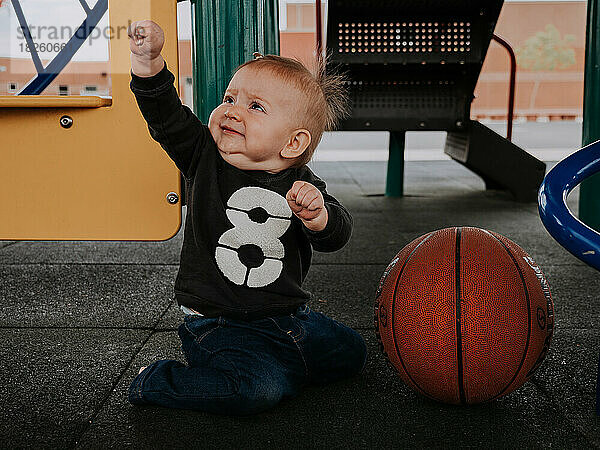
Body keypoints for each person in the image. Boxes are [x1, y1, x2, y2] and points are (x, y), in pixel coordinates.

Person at [127, 20, 367, 415]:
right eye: (230, 97)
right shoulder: (202, 157)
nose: (231, 111)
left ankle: (285, 360)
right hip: (220, 323)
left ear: (294, 142)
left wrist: (319, 217)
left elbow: (337, 234)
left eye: (255, 106)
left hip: (288, 317)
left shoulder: (302, 182)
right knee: (255, 391)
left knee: (353, 353)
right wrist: (147, 62)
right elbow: (165, 115)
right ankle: (157, 379)